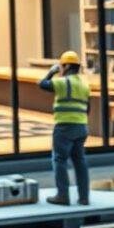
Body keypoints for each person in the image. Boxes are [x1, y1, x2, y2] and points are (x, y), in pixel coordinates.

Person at [38, 51, 90, 206]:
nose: (61, 69)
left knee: (59, 160)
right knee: (80, 161)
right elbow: (88, 107)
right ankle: (84, 197)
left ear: (67, 66)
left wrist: (51, 72)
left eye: (61, 66)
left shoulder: (62, 82)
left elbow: (42, 84)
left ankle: (63, 195)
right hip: (81, 126)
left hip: (64, 126)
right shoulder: (84, 84)